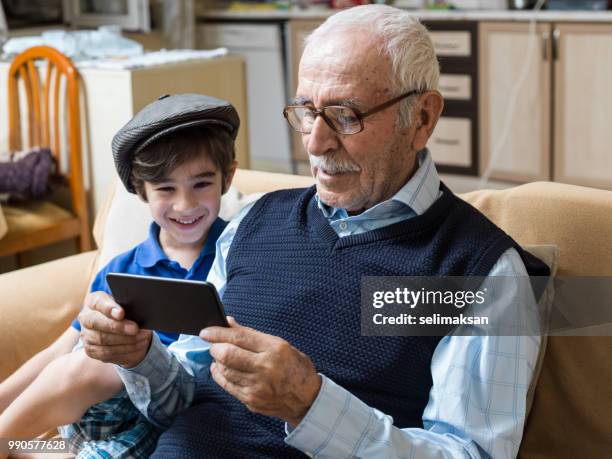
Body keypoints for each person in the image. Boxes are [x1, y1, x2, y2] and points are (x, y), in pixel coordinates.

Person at [79, 5, 549, 459]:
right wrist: (140, 358)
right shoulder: (251, 222)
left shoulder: (479, 274)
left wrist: (310, 405)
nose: (315, 142)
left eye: (345, 115)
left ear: (422, 118)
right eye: (306, 110)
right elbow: (178, 402)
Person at [0, 94, 239, 458]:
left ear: (228, 177)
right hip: (99, 407)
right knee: (89, 360)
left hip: (170, 416)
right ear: (141, 191)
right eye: (165, 189)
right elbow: (59, 351)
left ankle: (19, 445)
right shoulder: (123, 268)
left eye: (201, 185)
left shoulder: (241, 252)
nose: (185, 205)